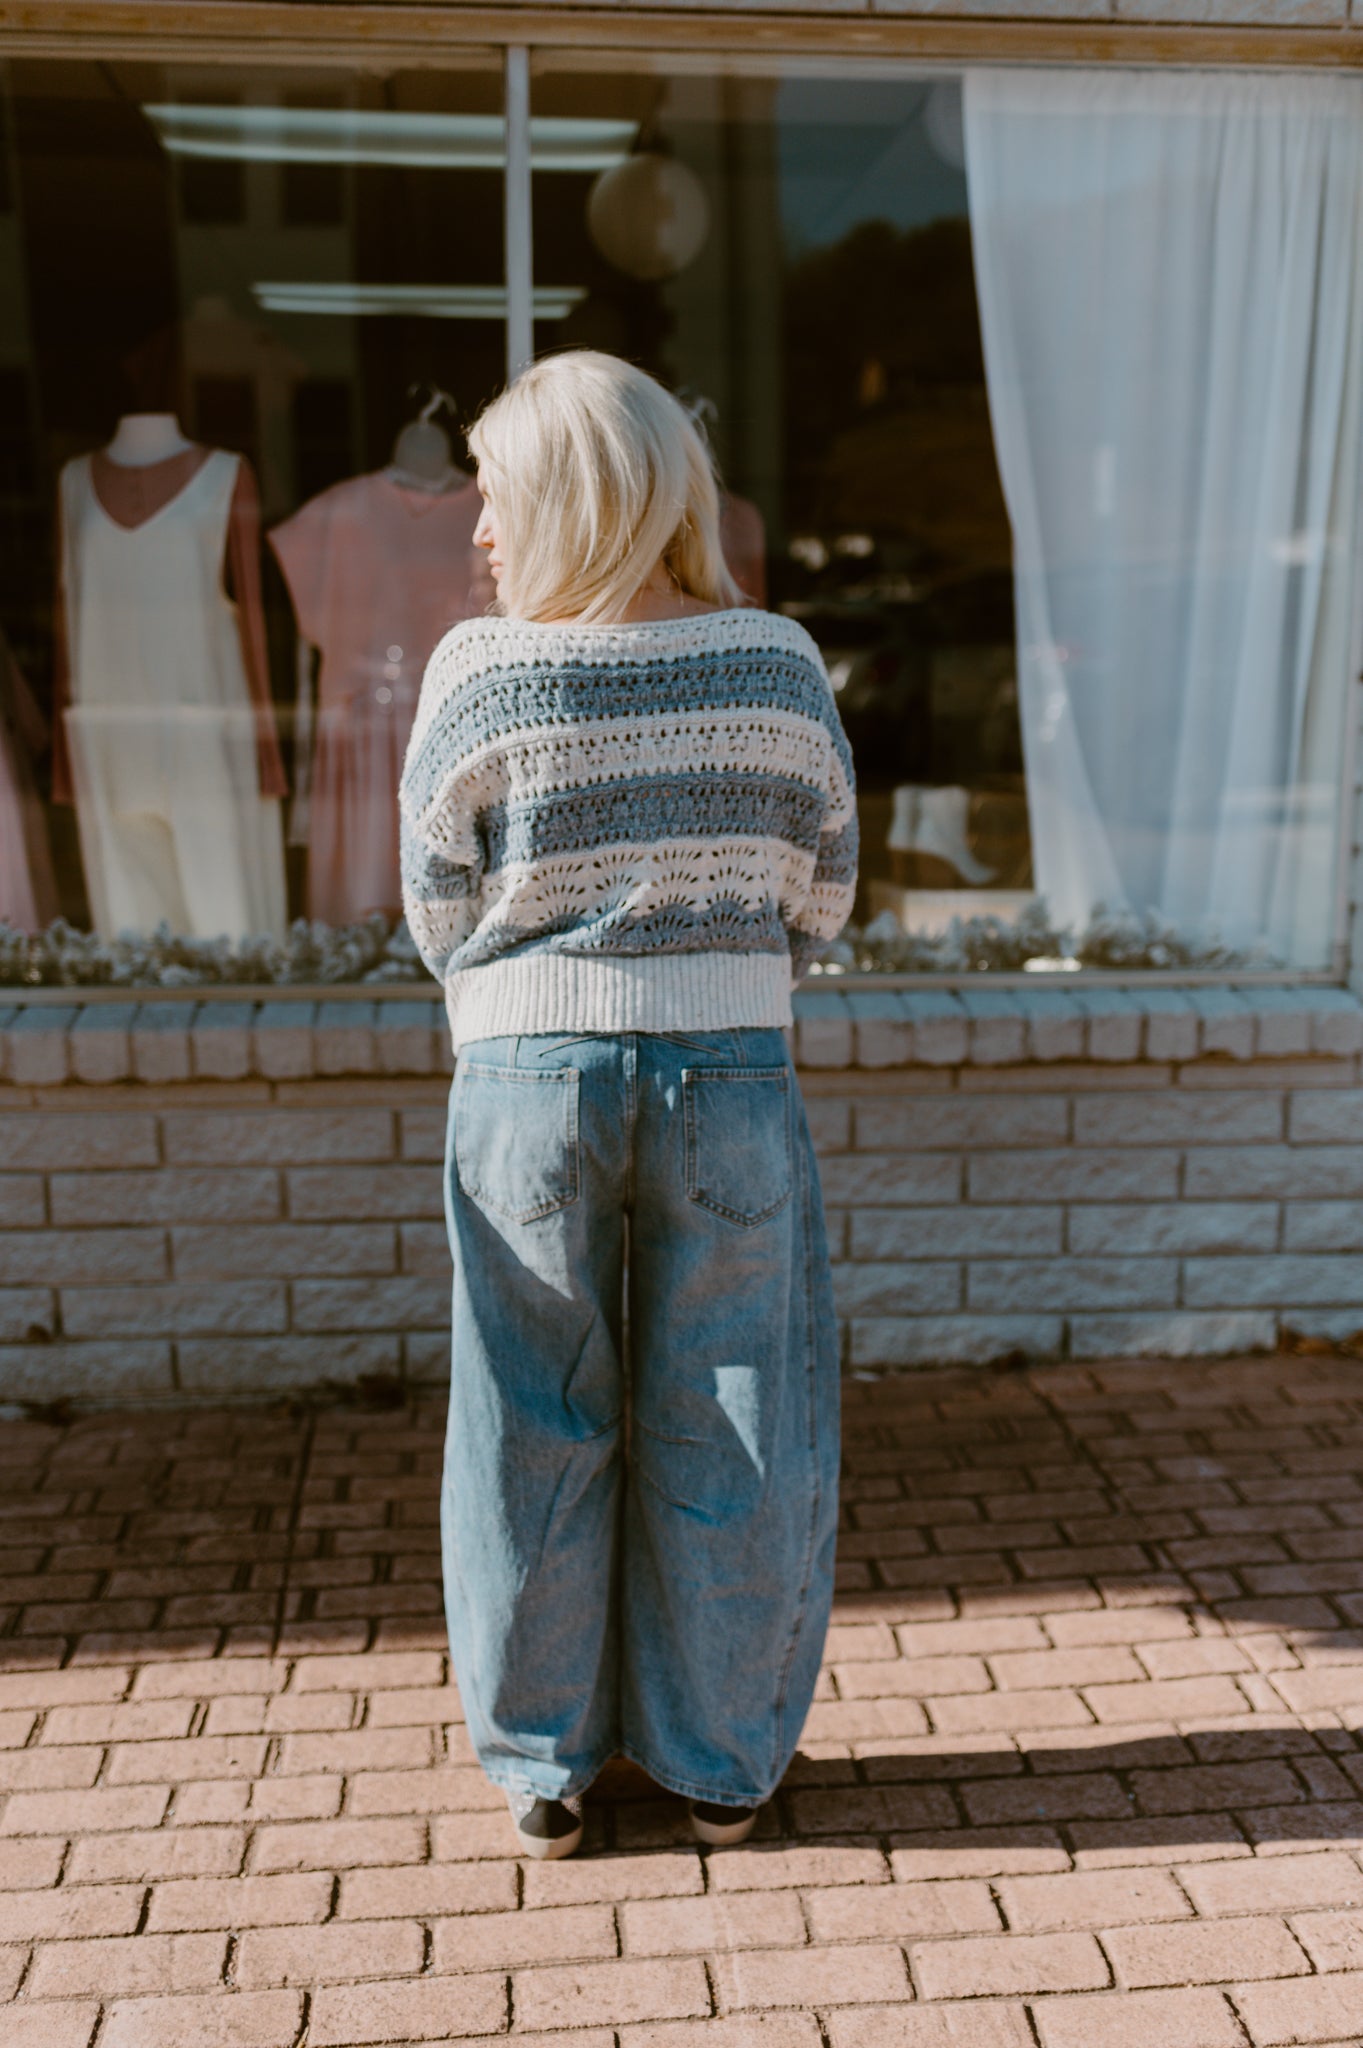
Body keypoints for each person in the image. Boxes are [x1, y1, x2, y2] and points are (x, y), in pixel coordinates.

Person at [399, 350, 857, 1861]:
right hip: (728, 1073)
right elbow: (826, 892)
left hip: (527, 1085)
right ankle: (720, 1763)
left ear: (574, 498)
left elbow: (434, 903)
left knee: (533, 1423)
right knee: (733, 1414)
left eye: (497, 494)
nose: (476, 529)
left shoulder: (484, 670)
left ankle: (545, 1766)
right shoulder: (778, 663)